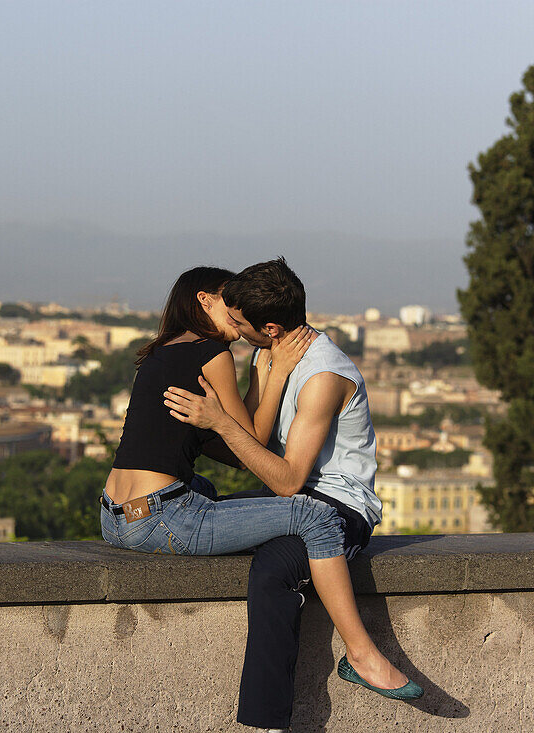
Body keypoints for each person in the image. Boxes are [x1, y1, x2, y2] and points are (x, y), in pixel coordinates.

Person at [102, 265, 420, 732]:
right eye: (229, 310)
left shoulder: (315, 373)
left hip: (118, 514)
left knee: (271, 550)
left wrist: (230, 412)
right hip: (168, 514)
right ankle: (361, 652)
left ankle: (285, 708)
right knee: (301, 521)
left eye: (241, 319)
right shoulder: (213, 353)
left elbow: (257, 459)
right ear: (205, 301)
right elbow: (261, 459)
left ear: (269, 328)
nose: (236, 329)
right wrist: (248, 396)